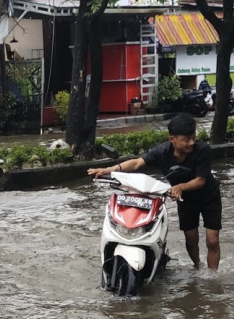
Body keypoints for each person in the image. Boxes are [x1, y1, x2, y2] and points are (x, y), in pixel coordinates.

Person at [88, 113, 222, 271]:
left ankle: (213, 276)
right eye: (186, 139)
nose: (191, 142)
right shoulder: (162, 152)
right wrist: (107, 170)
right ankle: (198, 266)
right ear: (172, 139)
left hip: (209, 197)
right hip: (185, 200)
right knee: (191, 240)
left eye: (193, 138)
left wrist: (180, 187)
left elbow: (201, 180)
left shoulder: (203, 150)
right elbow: (137, 163)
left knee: (212, 240)